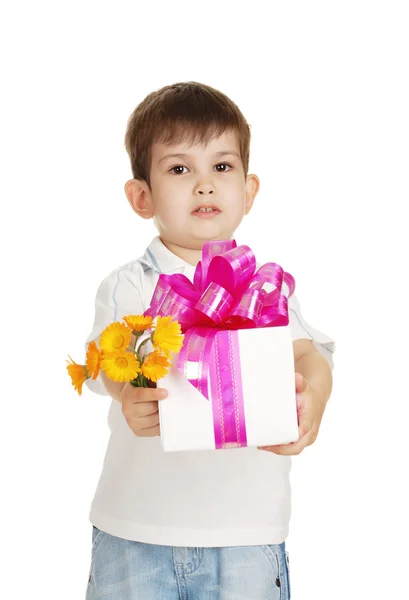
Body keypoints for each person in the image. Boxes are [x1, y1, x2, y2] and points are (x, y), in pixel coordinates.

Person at [84, 81, 336, 600]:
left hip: (247, 532)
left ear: (249, 190)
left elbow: (311, 353)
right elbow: (104, 359)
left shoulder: (262, 287)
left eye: (221, 167)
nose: (204, 185)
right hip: (137, 528)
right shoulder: (131, 284)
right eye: (180, 169)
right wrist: (126, 391)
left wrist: (312, 402)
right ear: (141, 196)